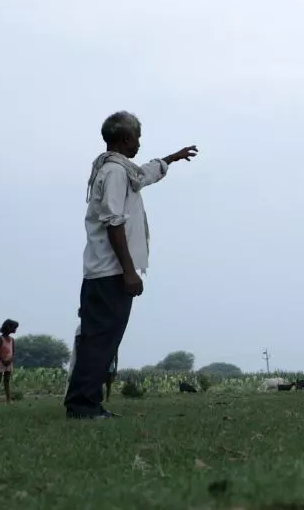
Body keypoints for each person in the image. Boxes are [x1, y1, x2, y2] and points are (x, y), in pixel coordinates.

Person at [62, 111, 197, 420]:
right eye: (137, 138)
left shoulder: (119, 170)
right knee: (100, 339)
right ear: (125, 139)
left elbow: (144, 174)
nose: (139, 144)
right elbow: (113, 223)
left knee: (100, 338)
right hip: (110, 271)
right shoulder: (115, 173)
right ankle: (83, 406)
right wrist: (129, 271)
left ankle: (86, 402)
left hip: (104, 271)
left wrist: (171, 159)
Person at [0, 319, 18, 403]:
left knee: (7, 381)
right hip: (0, 361)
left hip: (9, 362)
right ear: (8, 327)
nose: (15, 330)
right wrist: (3, 361)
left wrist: (10, 360)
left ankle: (8, 400)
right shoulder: (0, 338)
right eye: (14, 328)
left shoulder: (12, 340)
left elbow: (13, 352)